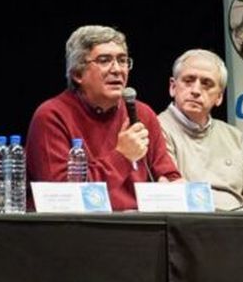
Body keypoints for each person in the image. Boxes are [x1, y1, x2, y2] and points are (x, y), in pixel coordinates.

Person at [26, 25, 181, 210]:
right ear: (77, 74)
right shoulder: (51, 116)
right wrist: (122, 156)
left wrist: (172, 187)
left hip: (138, 227)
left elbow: (169, 175)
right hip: (78, 230)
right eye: (104, 60)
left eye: (122, 60)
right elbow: (61, 198)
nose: (117, 70)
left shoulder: (142, 114)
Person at [158, 49, 243, 210]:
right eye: (188, 80)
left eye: (206, 84)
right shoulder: (157, 128)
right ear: (173, 87)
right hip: (190, 225)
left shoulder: (234, 136)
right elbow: (173, 196)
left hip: (241, 226)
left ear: (219, 97)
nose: (196, 91)